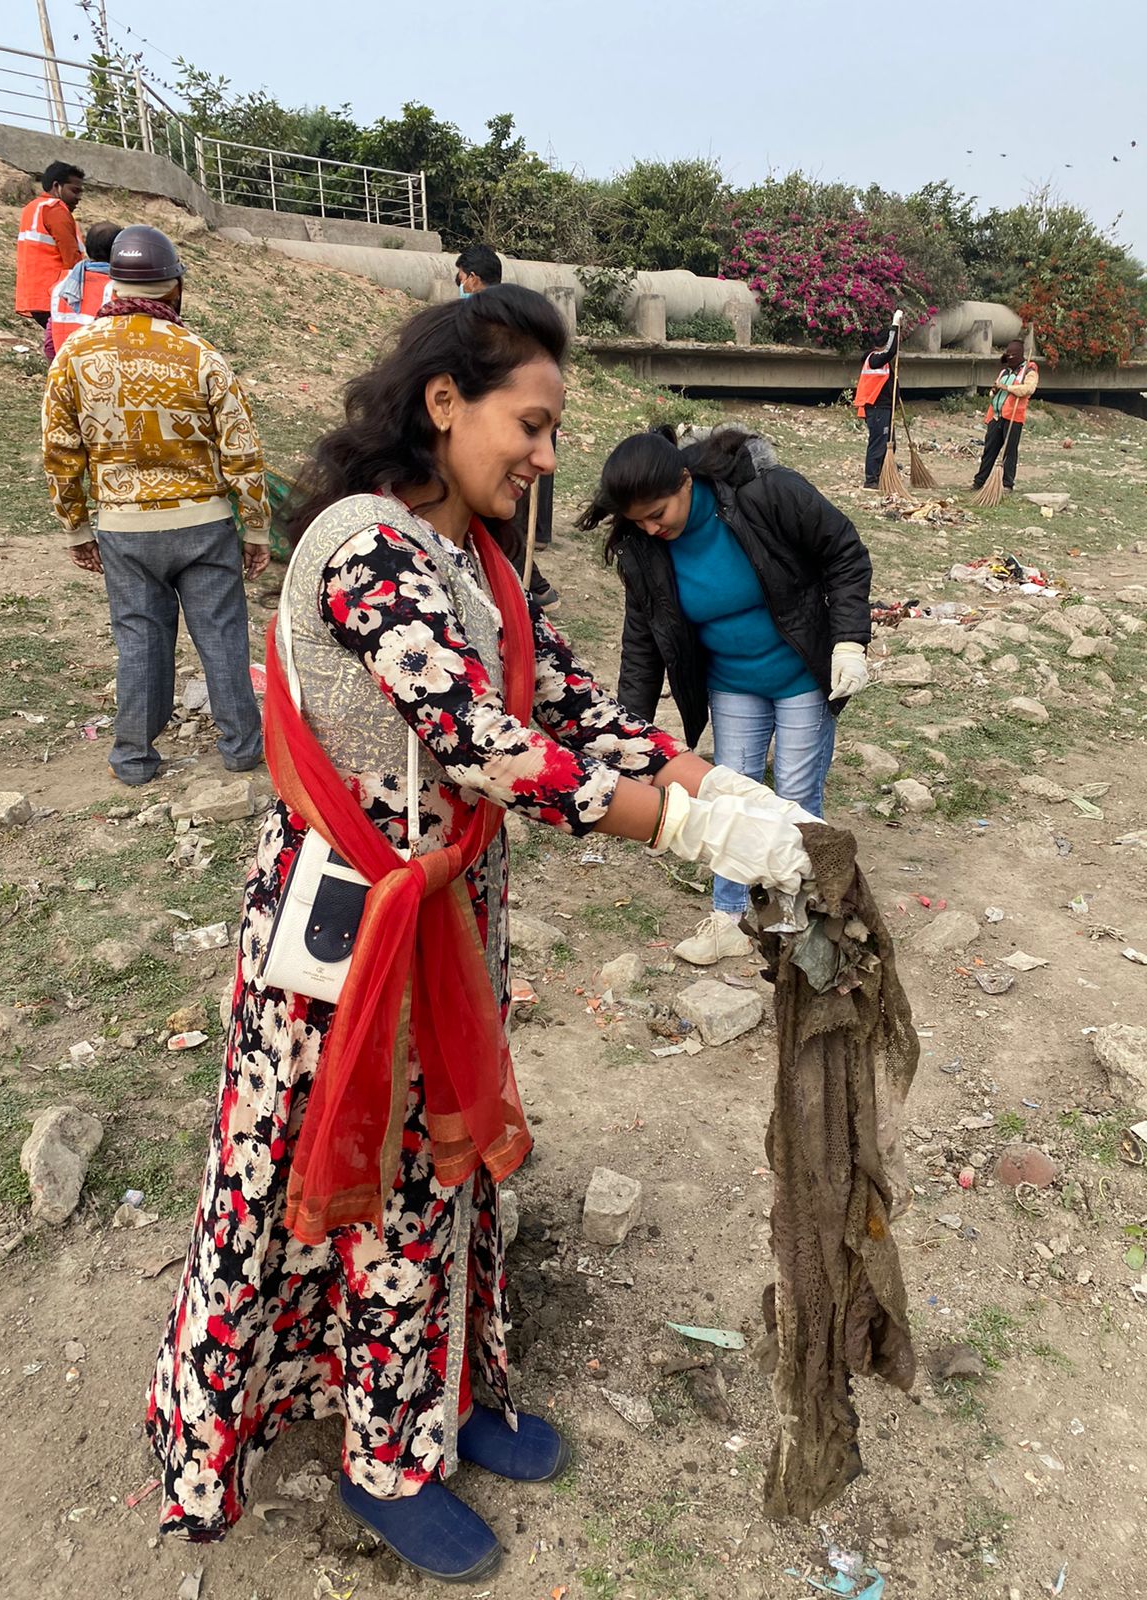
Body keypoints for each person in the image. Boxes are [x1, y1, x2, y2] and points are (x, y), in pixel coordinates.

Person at [144, 285, 815, 1584]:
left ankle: (442, 1396)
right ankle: (381, 1458)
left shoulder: (485, 566)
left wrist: (702, 782)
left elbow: (566, 710)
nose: (550, 457)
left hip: (446, 924)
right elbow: (489, 748)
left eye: (559, 431)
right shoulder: (362, 547)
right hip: (345, 943)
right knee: (361, 1182)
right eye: (534, 423)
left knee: (444, 1174)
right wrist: (681, 833)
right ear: (445, 401)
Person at [579, 425, 872, 966]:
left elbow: (845, 552)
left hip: (802, 672)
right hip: (732, 681)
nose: (650, 527)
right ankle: (729, 917)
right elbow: (642, 643)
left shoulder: (766, 494)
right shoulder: (643, 549)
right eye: (637, 519)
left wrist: (850, 640)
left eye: (658, 512)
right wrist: (625, 738)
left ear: (686, 481)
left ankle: (799, 912)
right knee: (729, 792)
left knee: (796, 793)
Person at [42, 224, 270, 786]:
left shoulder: (74, 355)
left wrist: (76, 528)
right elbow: (241, 446)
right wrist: (257, 527)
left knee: (139, 638)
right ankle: (242, 749)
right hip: (204, 524)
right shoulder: (200, 354)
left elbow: (59, 450)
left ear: (111, 284)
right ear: (175, 288)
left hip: (125, 528)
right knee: (220, 633)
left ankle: (135, 759)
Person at [458, 243, 560, 601]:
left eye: (461, 278)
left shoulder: (477, 321)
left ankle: (530, 581)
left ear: (471, 279)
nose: (549, 461)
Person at [16, 161, 85, 360]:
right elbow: (72, 259)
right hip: (56, 295)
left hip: (36, 294)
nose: (78, 198)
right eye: (74, 190)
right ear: (57, 186)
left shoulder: (32, 208)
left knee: (56, 346)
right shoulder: (56, 210)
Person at [972, 337, 1038, 493]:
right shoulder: (1004, 371)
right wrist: (993, 391)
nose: (1009, 359)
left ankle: (1007, 484)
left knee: (1009, 451)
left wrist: (1007, 387)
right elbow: (996, 386)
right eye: (1007, 356)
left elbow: (1028, 389)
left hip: (1014, 417)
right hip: (996, 416)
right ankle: (979, 482)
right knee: (989, 450)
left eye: (1012, 356)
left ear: (1019, 355)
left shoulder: (1029, 371)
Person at [48, 220, 119, 353]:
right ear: (119, 251)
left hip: (63, 365)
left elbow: (49, 343)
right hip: (97, 368)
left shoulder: (63, 285)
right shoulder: (119, 290)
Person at [854, 308, 904, 488]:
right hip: (877, 409)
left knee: (890, 444)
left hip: (885, 408)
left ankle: (885, 474)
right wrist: (895, 326)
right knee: (878, 444)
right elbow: (890, 351)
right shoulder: (874, 359)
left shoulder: (881, 361)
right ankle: (871, 480)